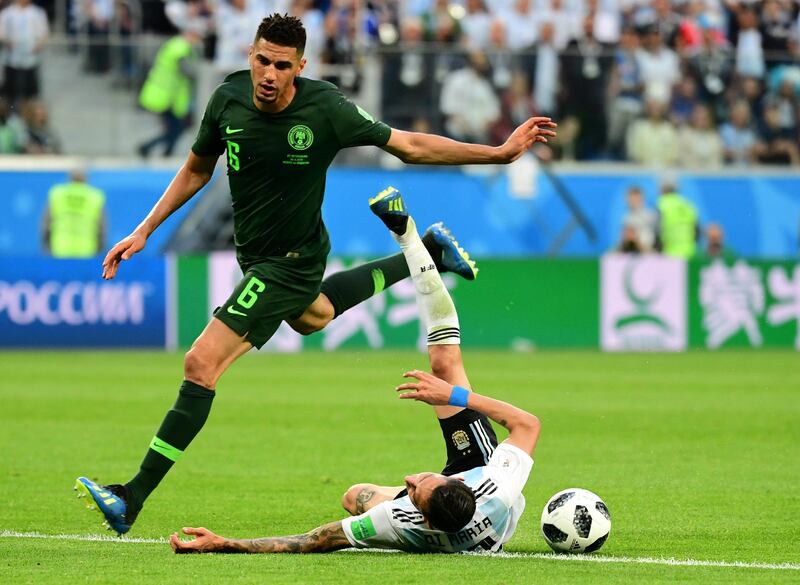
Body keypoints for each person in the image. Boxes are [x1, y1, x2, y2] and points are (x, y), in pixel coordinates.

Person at [75, 13, 556, 535]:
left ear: (299, 67)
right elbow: (196, 168)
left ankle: (131, 496)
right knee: (314, 316)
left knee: (200, 363)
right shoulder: (227, 99)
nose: (269, 74)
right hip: (257, 258)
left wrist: (498, 153)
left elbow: (408, 144)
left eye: (282, 65)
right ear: (250, 56)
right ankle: (428, 254)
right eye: (261, 60)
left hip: (291, 261)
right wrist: (145, 229)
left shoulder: (325, 108)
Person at [169, 188, 541, 554]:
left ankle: (430, 249)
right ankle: (413, 241)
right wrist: (451, 396)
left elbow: (315, 540)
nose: (409, 479)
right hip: (476, 476)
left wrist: (225, 543)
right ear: (460, 482)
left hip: (448, 516)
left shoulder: (396, 521)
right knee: (445, 364)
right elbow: (528, 424)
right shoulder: (498, 485)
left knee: (353, 497)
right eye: (422, 480)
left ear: (421, 518)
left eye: (413, 491)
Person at [137, 24, 204, 158]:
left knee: (177, 127)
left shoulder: (175, 44)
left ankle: (164, 151)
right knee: (178, 127)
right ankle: (149, 148)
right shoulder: (180, 47)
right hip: (165, 96)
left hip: (169, 96)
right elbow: (185, 70)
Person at [42, 168, 107, 258]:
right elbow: (102, 229)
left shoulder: (57, 194)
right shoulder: (94, 197)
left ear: (69, 178)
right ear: (86, 178)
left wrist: (46, 248)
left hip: (60, 249)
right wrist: (99, 250)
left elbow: (46, 226)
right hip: (86, 250)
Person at [657, 179, 699, 259]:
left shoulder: (661, 204)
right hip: (689, 253)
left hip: (669, 253)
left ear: (663, 190)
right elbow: (697, 232)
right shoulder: (688, 205)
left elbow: (656, 231)